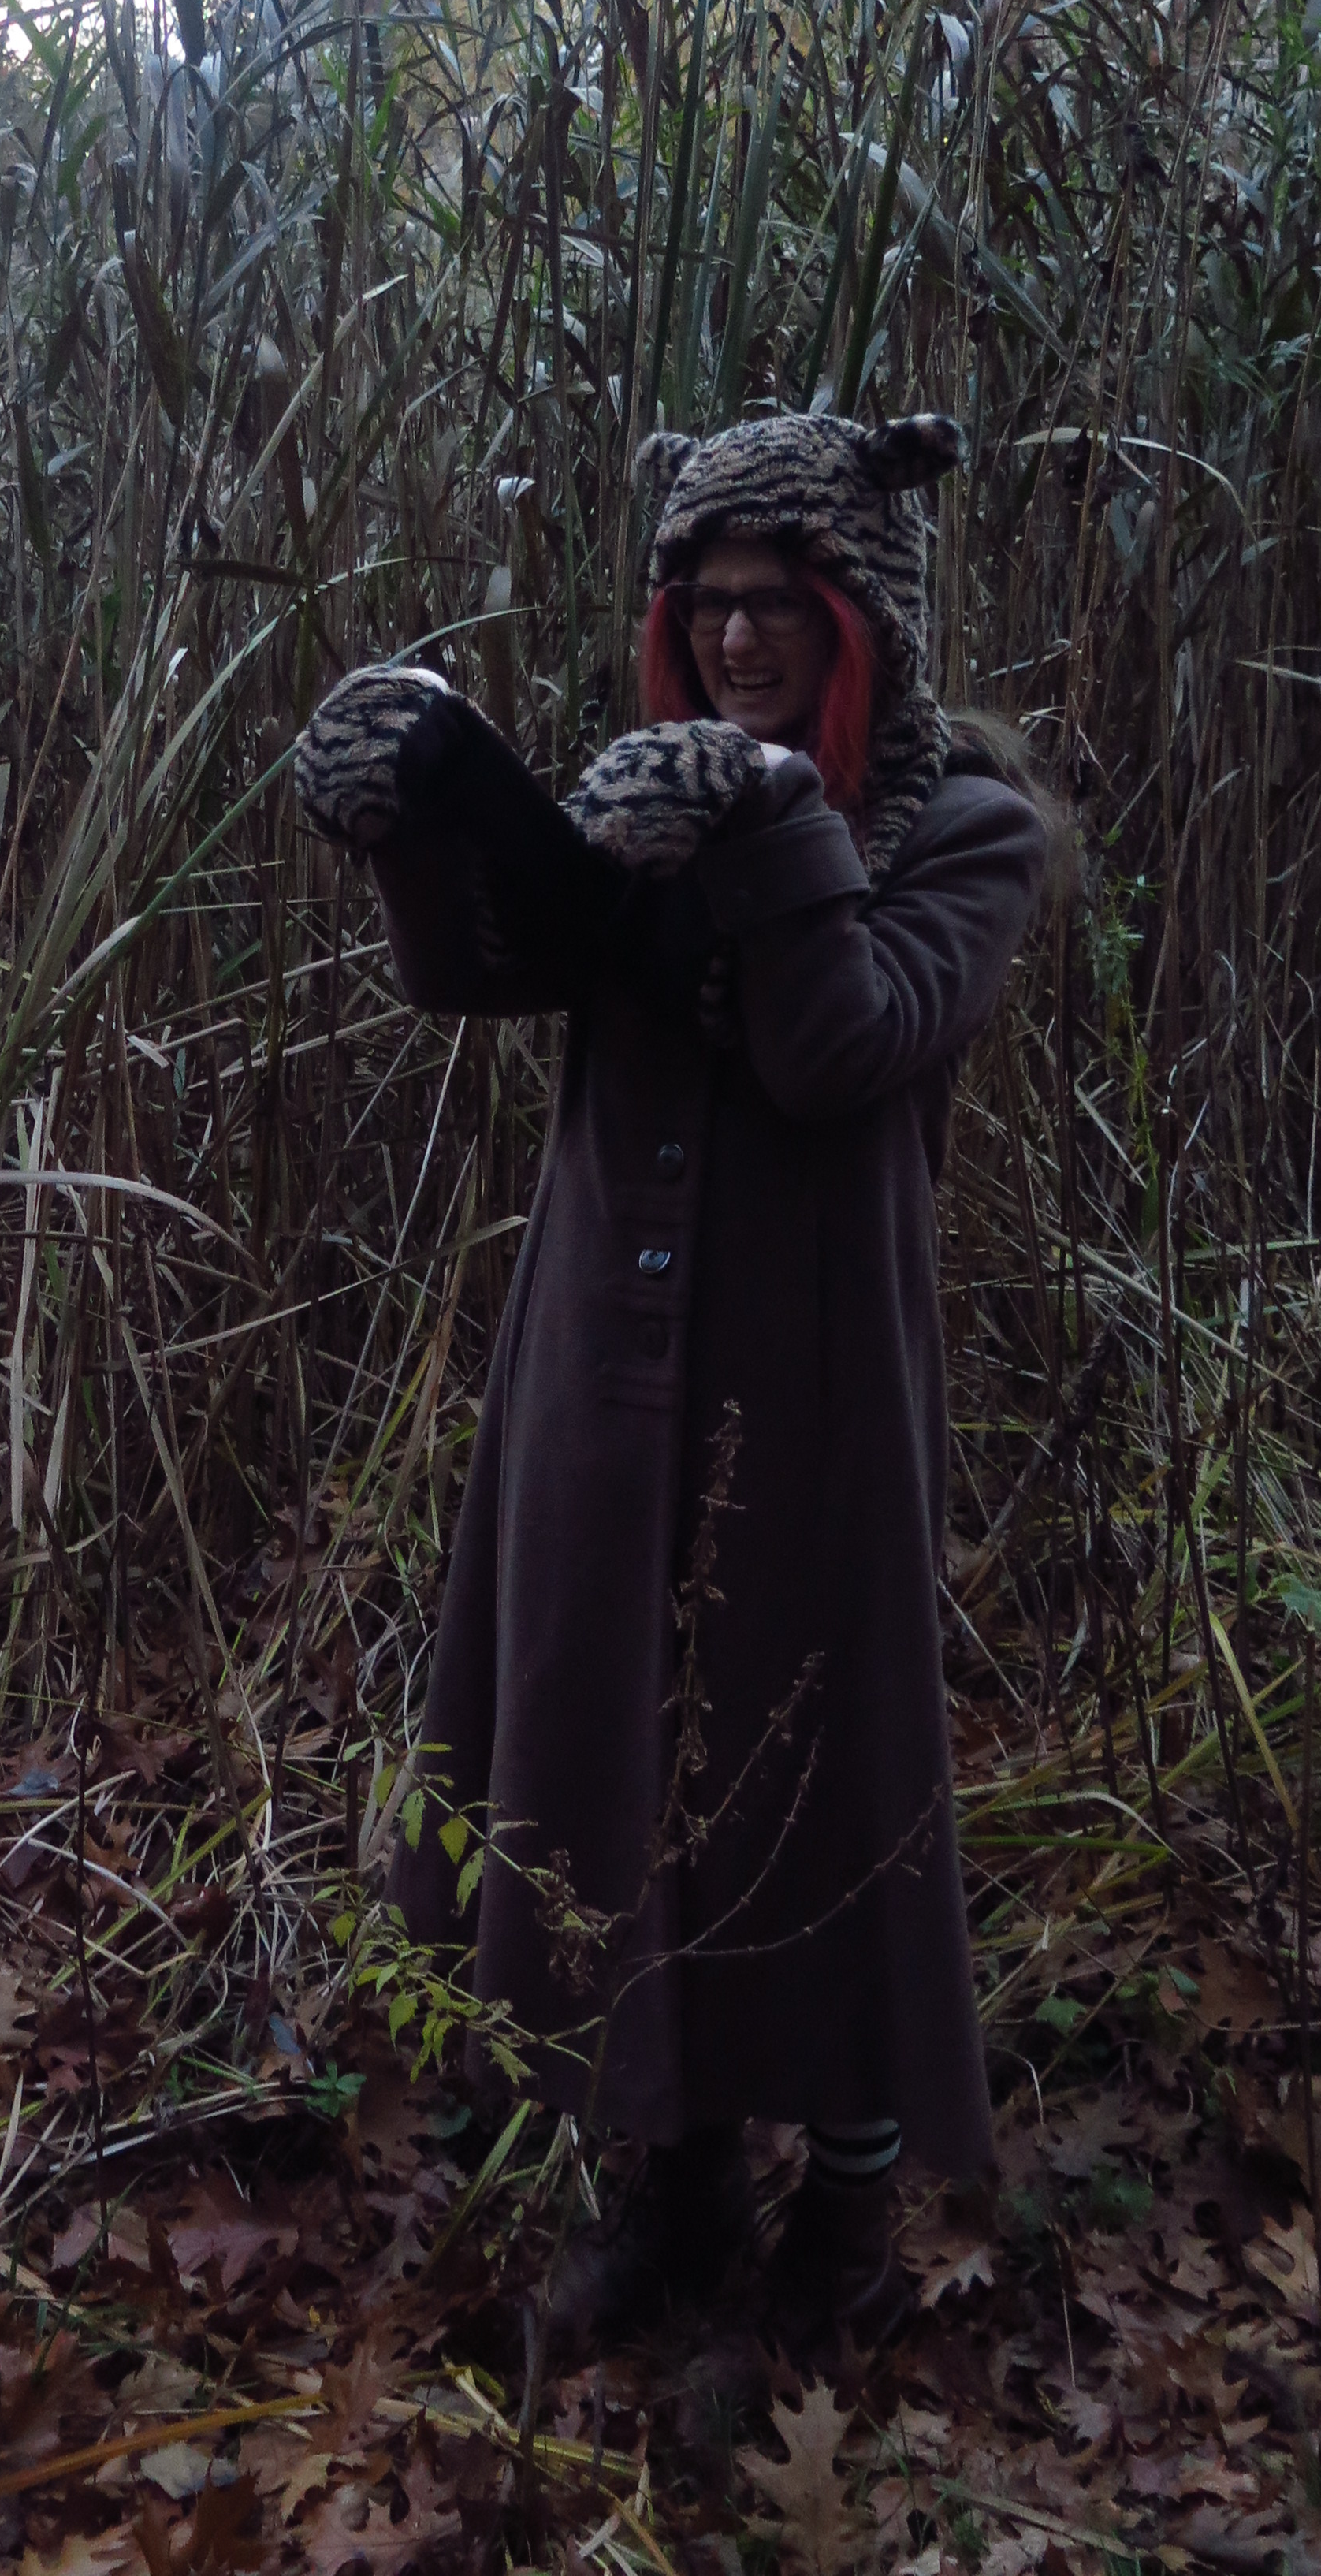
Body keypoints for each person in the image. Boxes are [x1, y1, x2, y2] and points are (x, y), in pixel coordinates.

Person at [292, 411, 1047, 2361]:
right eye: (699, 600)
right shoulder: (653, 797)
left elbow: (835, 1045)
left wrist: (768, 816)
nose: (731, 636)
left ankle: (842, 2229)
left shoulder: (965, 830)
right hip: (602, 1373)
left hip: (815, 1394)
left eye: (773, 599)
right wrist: (416, 814)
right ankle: (672, 2182)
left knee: (815, 1780)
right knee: (615, 1765)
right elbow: (496, 961)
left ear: (856, 614)